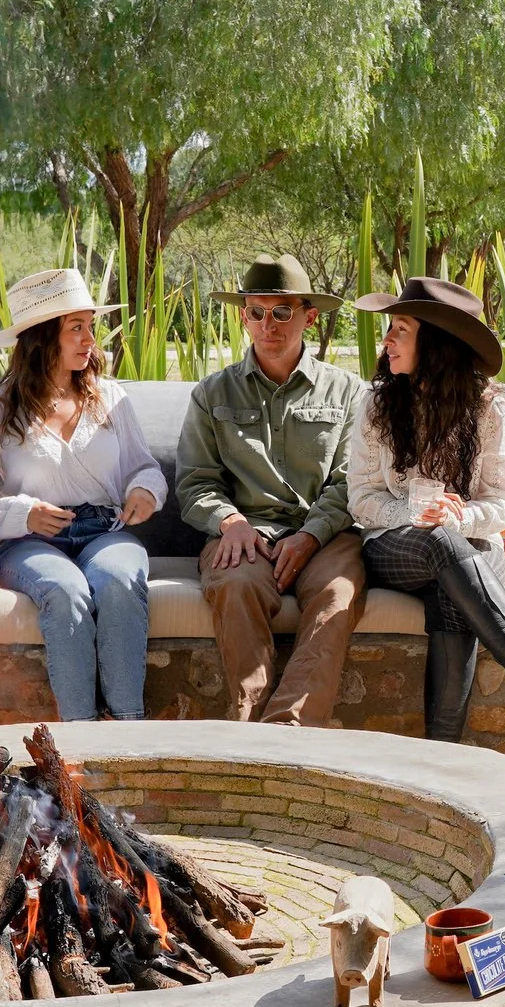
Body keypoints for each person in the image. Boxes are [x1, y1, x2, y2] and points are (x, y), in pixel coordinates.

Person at [349, 276, 505, 739]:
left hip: (472, 544)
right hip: (397, 547)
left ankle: (442, 758)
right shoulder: (377, 404)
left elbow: (502, 502)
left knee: (451, 590)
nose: (387, 340)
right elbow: (362, 498)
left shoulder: (488, 407)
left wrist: (460, 516)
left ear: (435, 343)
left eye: (401, 328)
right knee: (439, 542)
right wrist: (416, 517)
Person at [0, 267, 163, 722]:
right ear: (42, 338)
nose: (91, 339)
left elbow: (145, 468)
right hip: (29, 543)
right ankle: (81, 735)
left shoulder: (111, 398)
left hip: (106, 529)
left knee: (120, 580)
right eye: (76, 328)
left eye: (91, 326)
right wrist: (23, 514)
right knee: (65, 590)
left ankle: (128, 728)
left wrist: (145, 490)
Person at [174, 256, 367, 724]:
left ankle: (288, 733)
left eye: (282, 312)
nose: (269, 325)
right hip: (245, 533)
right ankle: (247, 731)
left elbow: (350, 480)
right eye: (257, 313)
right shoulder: (212, 394)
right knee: (235, 585)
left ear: (309, 316)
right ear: (244, 317)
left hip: (325, 533)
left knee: (338, 593)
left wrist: (311, 537)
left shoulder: (349, 393)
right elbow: (195, 480)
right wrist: (228, 521)